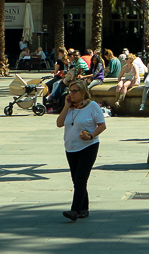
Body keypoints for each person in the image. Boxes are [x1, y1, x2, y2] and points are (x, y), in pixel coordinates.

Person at [57, 79, 106, 221]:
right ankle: (84, 207)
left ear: (83, 92)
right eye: (69, 91)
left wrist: (91, 135)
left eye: (74, 91)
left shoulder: (92, 107)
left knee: (80, 178)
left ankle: (75, 210)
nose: (71, 94)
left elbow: (102, 126)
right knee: (77, 180)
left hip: (88, 146)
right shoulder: (70, 107)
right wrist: (66, 106)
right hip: (71, 148)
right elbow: (59, 124)